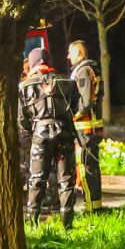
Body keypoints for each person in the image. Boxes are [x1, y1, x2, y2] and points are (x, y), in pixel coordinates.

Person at [19, 45, 79, 227]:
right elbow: (74, 108)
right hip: (65, 132)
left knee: (36, 179)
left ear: (32, 63)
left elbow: (22, 119)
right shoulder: (68, 82)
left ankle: (32, 223)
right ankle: (67, 224)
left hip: (40, 134)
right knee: (66, 180)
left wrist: (30, 137)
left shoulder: (25, 86)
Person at [68, 39, 104, 210]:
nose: (68, 57)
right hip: (92, 127)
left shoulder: (82, 71)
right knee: (91, 165)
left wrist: (74, 116)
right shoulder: (91, 68)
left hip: (85, 128)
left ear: (79, 53)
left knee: (85, 166)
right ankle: (94, 205)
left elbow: (86, 101)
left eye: (71, 52)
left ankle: (92, 208)